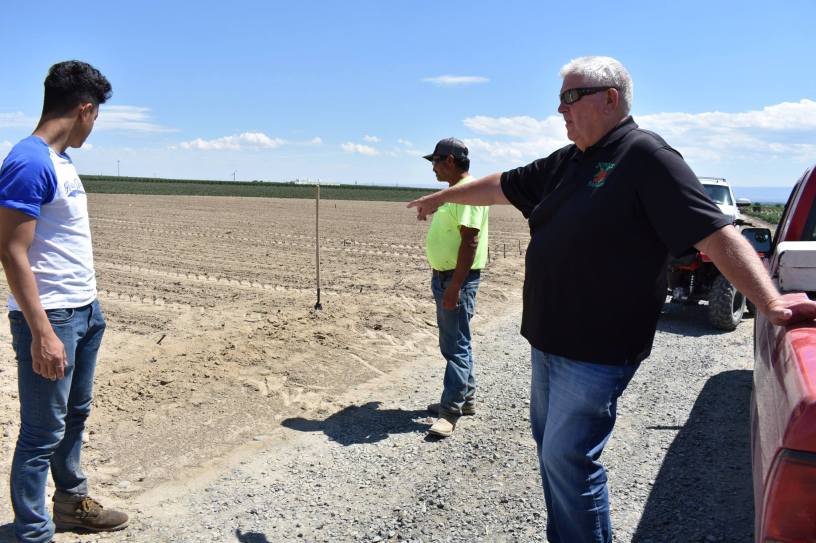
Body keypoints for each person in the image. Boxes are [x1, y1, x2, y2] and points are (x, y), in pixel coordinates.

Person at [408, 56, 816, 542]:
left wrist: (769, 302)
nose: (560, 109)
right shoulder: (570, 160)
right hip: (548, 340)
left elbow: (715, 233)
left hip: (597, 350)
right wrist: (444, 197)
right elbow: (502, 184)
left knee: (569, 458)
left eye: (569, 97)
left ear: (610, 98)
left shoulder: (646, 157)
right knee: (552, 453)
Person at [0, 61, 129, 543]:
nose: (93, 127)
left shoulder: (60, 161)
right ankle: (33, 533)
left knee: (74, 416)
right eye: (96, 117)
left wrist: (90, 311)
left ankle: (72, 505)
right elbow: (10, 248)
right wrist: (42, 332)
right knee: (41, 432)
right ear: (84, 109)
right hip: (53, 318)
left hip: (83, 311)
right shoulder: (28, 161)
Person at [421, 138, 488, 438]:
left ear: (449, 160)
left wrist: (455, 287)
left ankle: (449, 412)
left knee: (455, 346)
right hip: (446, 278)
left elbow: (470, 241)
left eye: (435, 161)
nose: (432, 168)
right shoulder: (456, 192)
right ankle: (465, 399)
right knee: (456, 341)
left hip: (455, 279)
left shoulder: (467, 193)